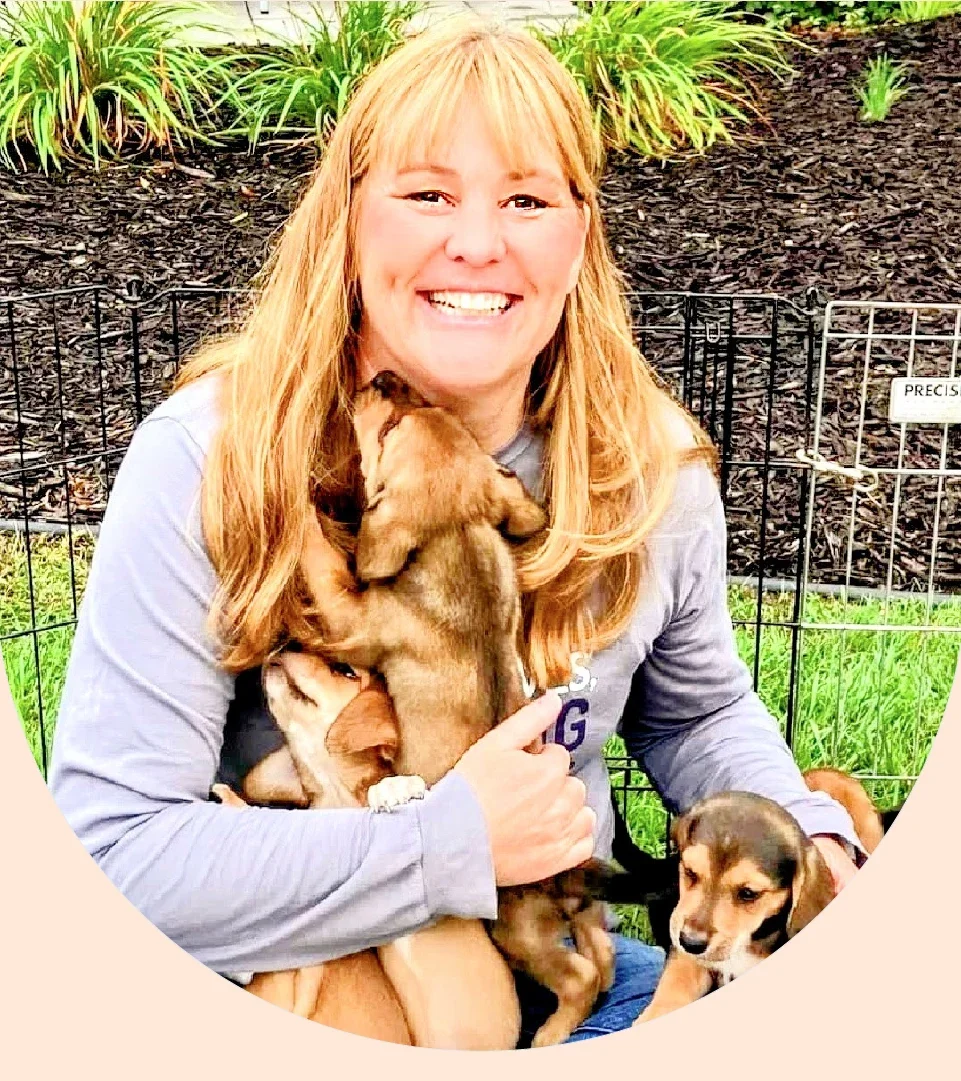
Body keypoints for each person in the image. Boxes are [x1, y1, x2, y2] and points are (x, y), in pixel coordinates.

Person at [48, 16, 861, 1043]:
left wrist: (817, 837)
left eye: (526, 199)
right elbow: (110, 857)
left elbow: (692, 715)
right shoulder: (210, 458)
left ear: (581, 232)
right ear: (347, 219)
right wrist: (447, 843)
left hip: (568, 982)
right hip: (301, 1003)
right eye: (426, 193)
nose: (478, 243)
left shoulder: (648, 466)